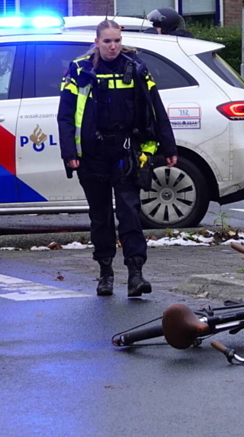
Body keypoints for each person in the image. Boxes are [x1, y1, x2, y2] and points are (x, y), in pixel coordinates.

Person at [57, 19, 178, 297]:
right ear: (97, 42)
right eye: (107, 41)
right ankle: (105, 274)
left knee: (129, 212)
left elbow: (155, 108)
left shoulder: (135, 68)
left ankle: (136, 274)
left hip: (126, 150)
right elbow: (66, 115)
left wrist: (169, 148)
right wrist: (69, 153)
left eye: (117, 41)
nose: (113, 46)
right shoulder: (80, 70)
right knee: (100, 216)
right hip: (92, 153)